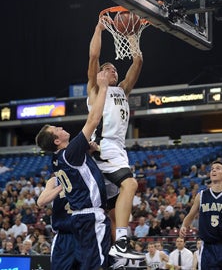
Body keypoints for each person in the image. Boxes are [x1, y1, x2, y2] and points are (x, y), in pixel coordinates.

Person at [35, 71, 111, 270]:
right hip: (89, 216)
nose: (60, 127)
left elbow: (78, 172)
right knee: (98, 266)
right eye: (56, 130)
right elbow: (93, 119)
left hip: (79, 219)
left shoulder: (57, 160)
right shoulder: (70, 153)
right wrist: (103, 87)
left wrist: (88, 151)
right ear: (57, 141)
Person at [87, 16, 144, 259]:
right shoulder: (96, 88)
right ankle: (122, 241)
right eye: (108, 68)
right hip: (104, 147)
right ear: (101, 75)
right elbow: (93, 57)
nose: (113, 70)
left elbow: (138, 60)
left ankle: (117, 257)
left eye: (114, 69)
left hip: (118, 149)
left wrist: (132, 34)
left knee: (111, 212)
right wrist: (99, 28)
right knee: (130, 184)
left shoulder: (122, 89)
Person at [179, 160, 222, 270]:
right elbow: (191, 214)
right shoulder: (201, 195)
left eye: (218, 168)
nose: (214, 170)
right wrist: (184, 225)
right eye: (212, 169)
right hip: (207, 246)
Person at [37, 176, 78, 269]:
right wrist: (61, 186)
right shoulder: (55, 181)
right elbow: (41, 202)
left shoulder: (86, 175)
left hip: (86, 232)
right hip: (64, 234)